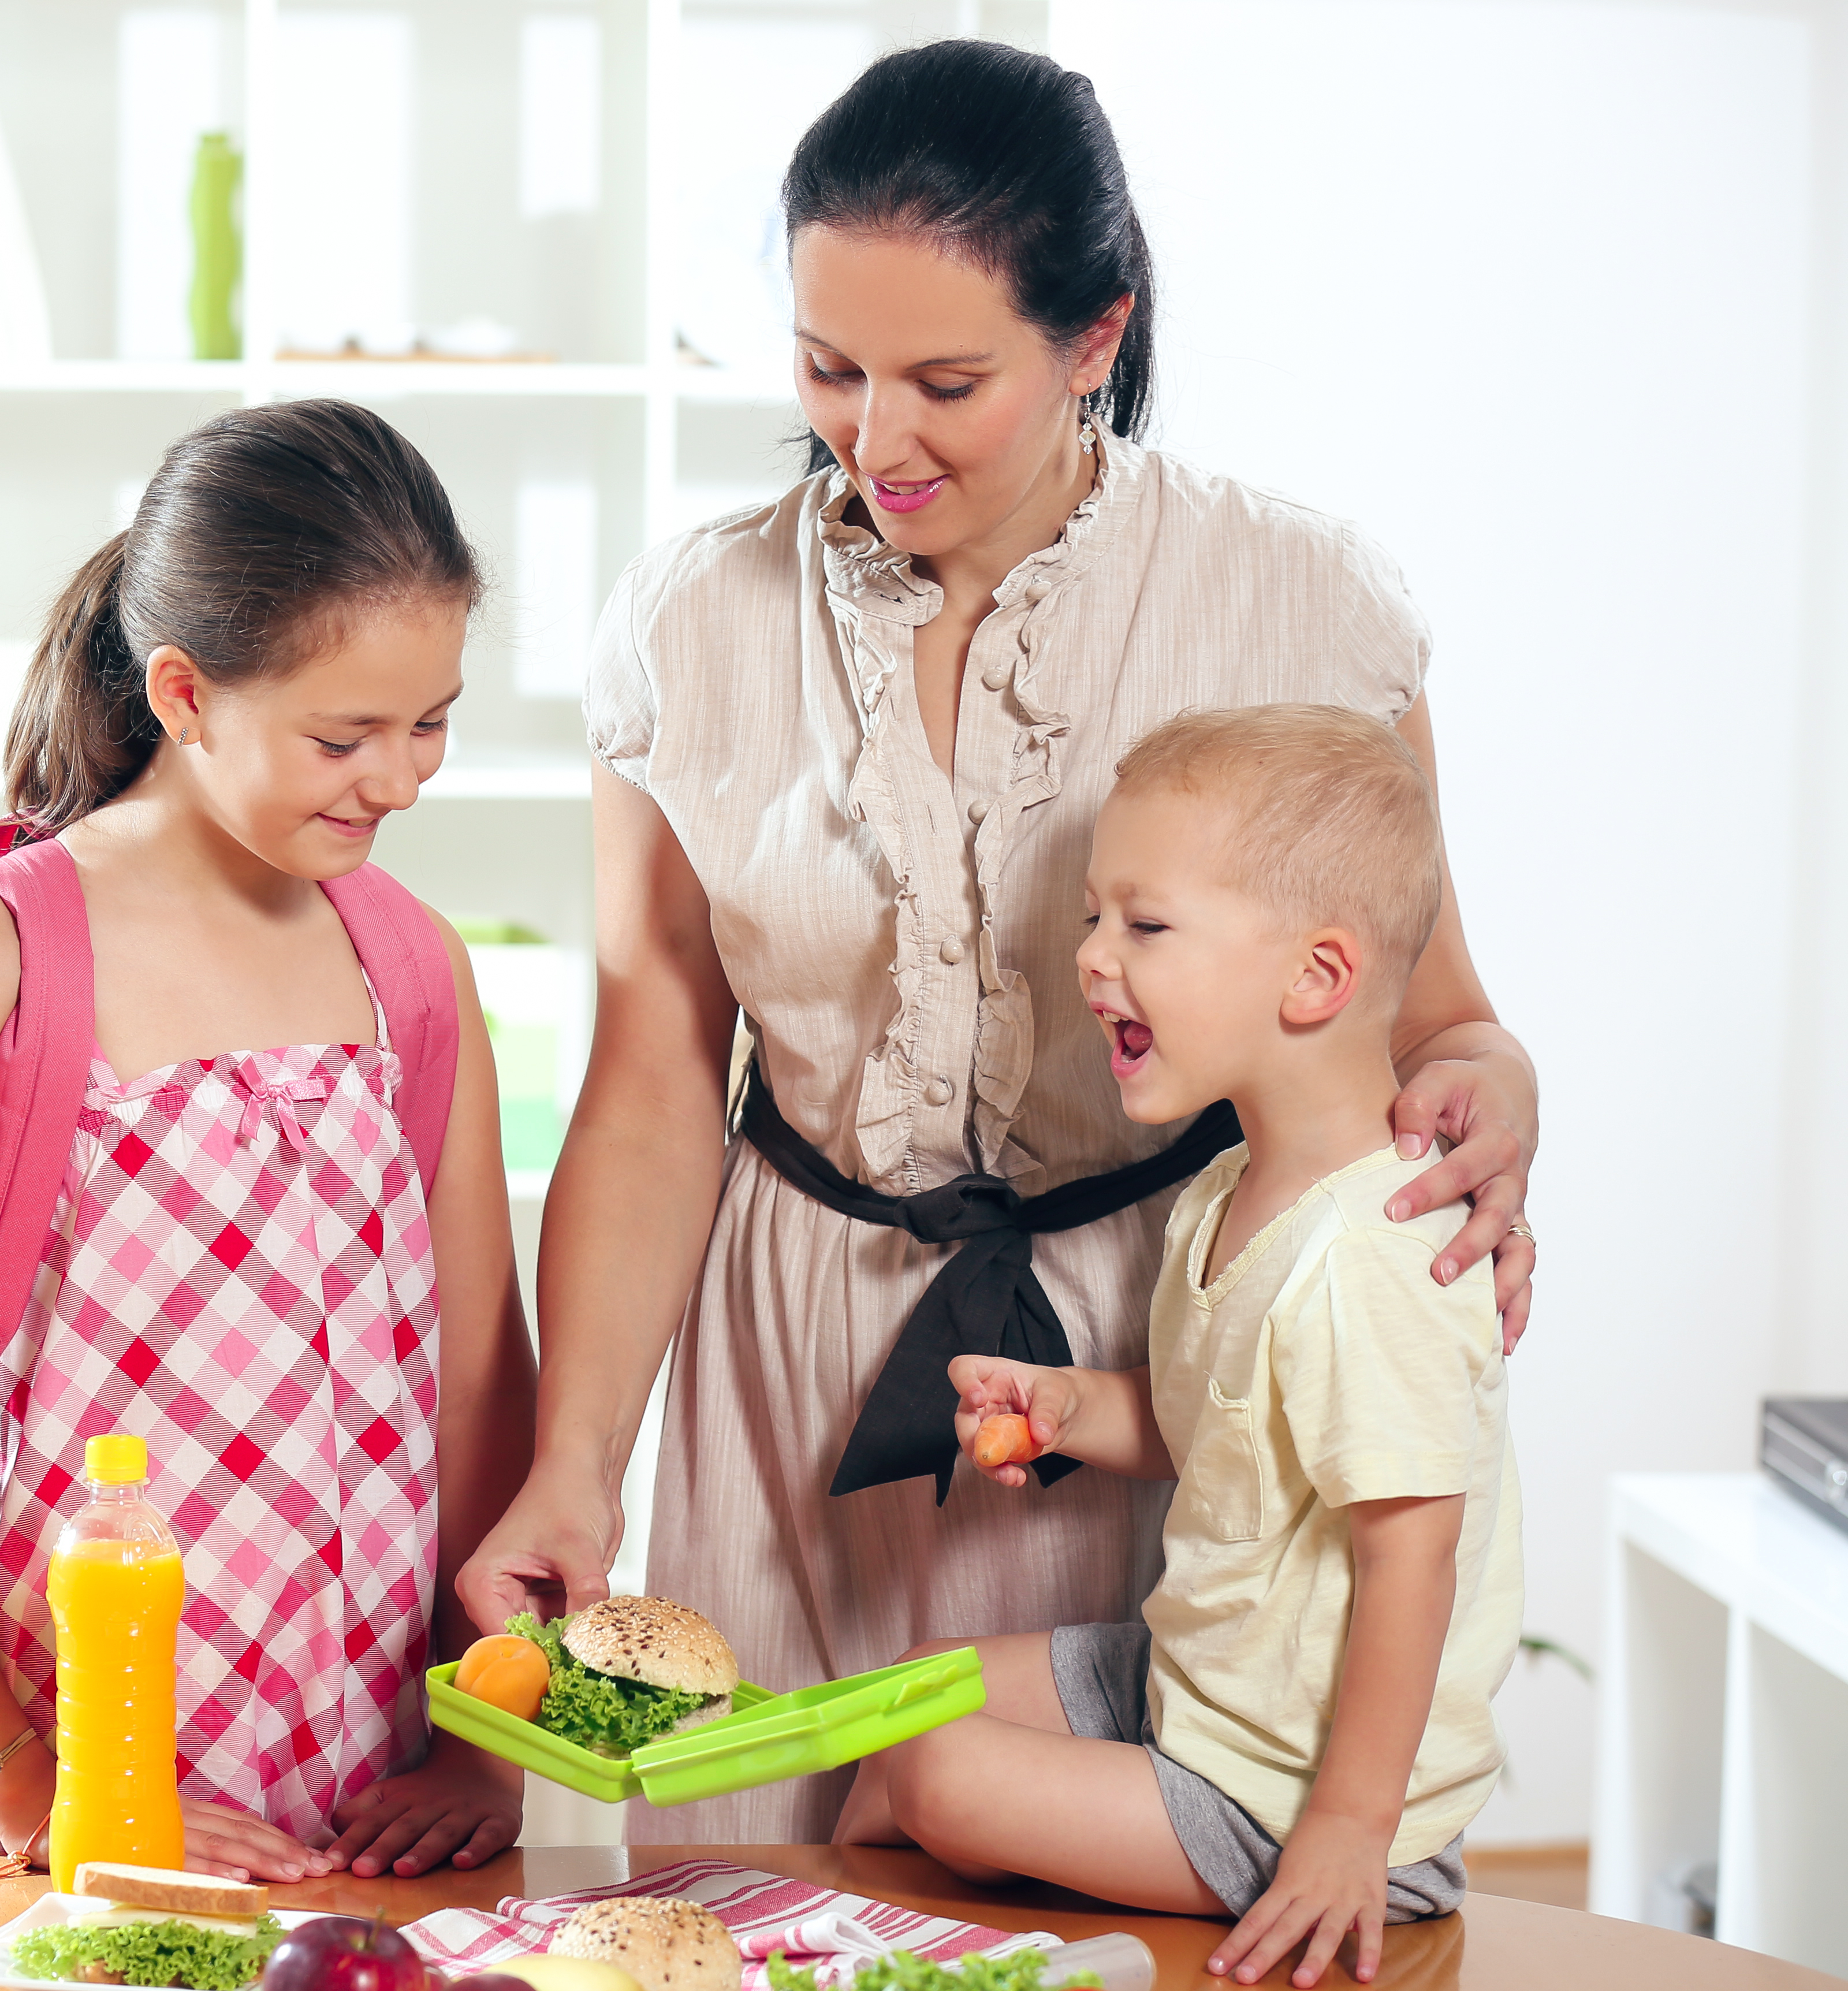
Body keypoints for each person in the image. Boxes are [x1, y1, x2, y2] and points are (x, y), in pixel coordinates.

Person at [457, 39, 1542, 1847]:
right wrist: (578, 1469)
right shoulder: (689, 625)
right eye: (826, 370)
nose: (873, 440)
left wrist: (1495, 1092)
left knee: (1118, 1987)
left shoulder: (1307, 604)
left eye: (945, 380)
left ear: (1095, 337)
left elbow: (1439, 1018)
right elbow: (653, 1076)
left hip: (1155, 1344)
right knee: (745, 1936)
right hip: (788, 1353)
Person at [0, 399, 535, 1883]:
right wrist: (40, 1792)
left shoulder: (415, 970)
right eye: (343, 735)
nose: (400, 778)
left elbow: (475, 1384)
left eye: (433, 720)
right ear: (183, 693)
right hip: (43, 1803)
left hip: (353, 1816)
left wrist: (482, 1742)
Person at [831, 705, 1523, 1991]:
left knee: (933, 1765)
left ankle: (887, 1983)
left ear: (1314, 977)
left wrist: (1345, 1835)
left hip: (1295, 1796)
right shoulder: (1227, 1194)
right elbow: (1215, 1430)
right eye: (1097, 916)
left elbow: (1412, 1555)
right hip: (1204, 1688)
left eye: (1144, 926)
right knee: (905, 1702)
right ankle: (850, 1966)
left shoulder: (1375, 1253)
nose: (1094, 957)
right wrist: (1070, 1406)